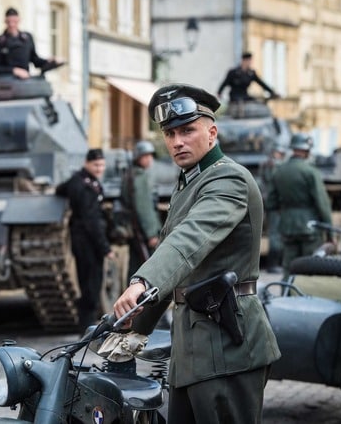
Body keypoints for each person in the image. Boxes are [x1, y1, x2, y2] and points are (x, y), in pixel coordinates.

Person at [113, 84, 281, 424]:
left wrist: (141, 282)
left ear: (212, 132)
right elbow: (173, 265)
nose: (177, 142)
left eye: (188, 130)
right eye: (170, 133)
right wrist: (134, 327)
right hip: (192, 351)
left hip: (228, 344)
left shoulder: (228, 179)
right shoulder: (190, 183)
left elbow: (188, 243)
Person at [56, 149, 115, 332]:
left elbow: (60, 189)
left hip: (83, 237)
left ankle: (87, 323)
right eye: (96, 165)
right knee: (91, 282)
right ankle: (86, 325)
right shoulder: (85, 185)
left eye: (102, 165)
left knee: (88, 280)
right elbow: (92, 221)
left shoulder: (79, 180)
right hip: (87, 239)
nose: (100, 169)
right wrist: (105, 247)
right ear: (87, 164)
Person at [266, 133, 333, 277]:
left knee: (289, 267)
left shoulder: (279, 171)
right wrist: (330, 232)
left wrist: (286, 213)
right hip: (310, 227)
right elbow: (322, 204)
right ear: (306, 150)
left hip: (288, 227)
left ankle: (286, 296)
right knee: (310, 267)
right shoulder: (311, 172)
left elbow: (271, 202)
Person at [121, 140, 161, 276]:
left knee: (136, 266)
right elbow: (144, 206)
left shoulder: (131, 174)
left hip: (135, 230)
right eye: (146, 156)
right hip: (143, 232)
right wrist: (151, 234)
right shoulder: (139, 176)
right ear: (138, 157)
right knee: (146, 268)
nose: (150, 159)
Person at [0, 7, 60, 79]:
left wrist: (50, 61)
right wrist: (14, 70)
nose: (11, 24)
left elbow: (35, 60)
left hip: (24, 83)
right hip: (5, 83)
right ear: (5, 21)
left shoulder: (27, 38)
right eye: (9, 21)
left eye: (14, 21)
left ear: (19, 20)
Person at [260, 143, 287, 273]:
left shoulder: (270, 165)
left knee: (278, 235)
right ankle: (273, 264)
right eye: (279, 153)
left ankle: (277, 263)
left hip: (276, 204)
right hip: (274, 205)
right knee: (275, 235)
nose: (280, 156)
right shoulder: (271, 166)